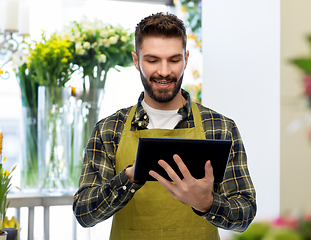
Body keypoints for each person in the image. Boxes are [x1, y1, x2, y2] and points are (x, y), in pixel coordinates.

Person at [73, 12, 256, 240]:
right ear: (136, 61)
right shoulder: (110, 129)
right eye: (152, 60)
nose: (164, 71)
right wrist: (129, 177)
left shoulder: (220, 127)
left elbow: (245, 213)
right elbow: (84, 213)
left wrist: (208, 203)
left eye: (174, 59)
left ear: (186, 59)